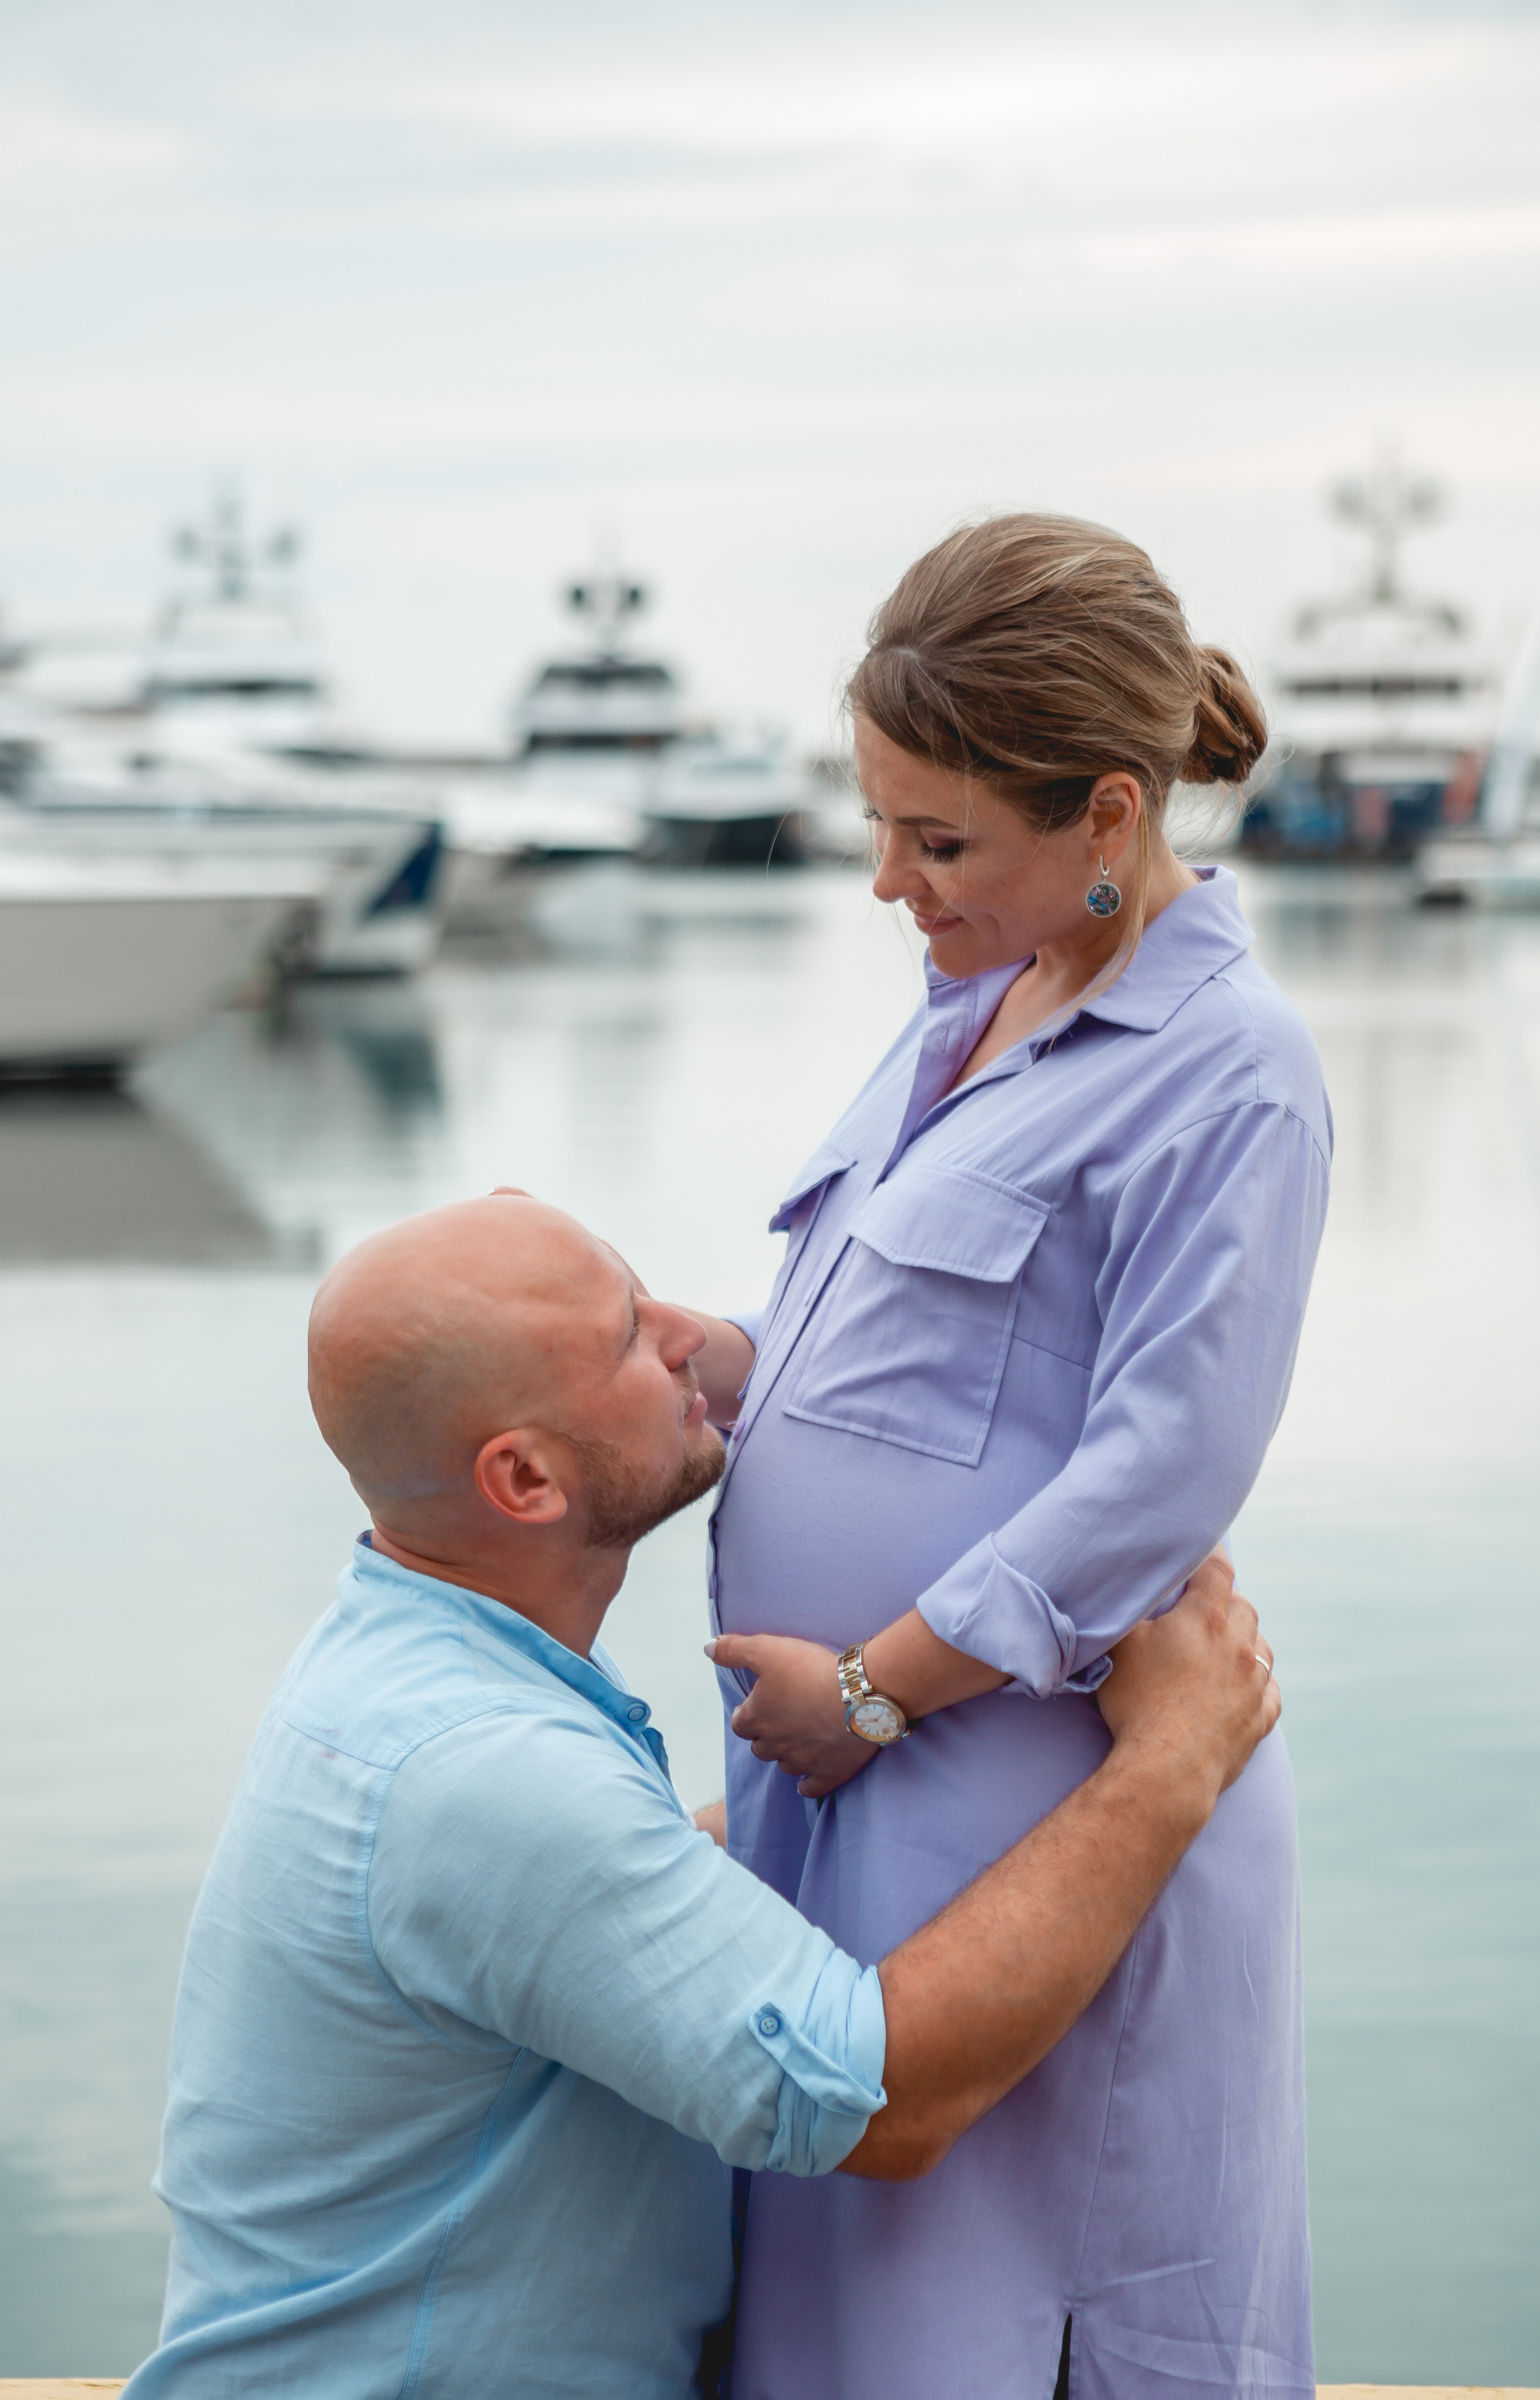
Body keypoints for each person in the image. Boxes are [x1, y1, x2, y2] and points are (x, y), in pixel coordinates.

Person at [122, 1192, 1279, 2400]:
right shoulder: (484, 1773)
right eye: (629, 1333)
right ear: (524, 1478)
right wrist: (1173, 1758)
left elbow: (605, 1895)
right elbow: (880, 2100)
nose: (689, 1336)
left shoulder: (410, 1671)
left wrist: (884, 1737)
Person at [681, 516, 1334, 2399]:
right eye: (880, 824)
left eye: (939, 840)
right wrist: (702, 1366)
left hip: (1019, 1801)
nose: (889, 879)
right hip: (853, 1790)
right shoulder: (975, 1006)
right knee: (845, 2304)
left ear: (1107, 814)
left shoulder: (1229, 1071)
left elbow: (1161, 1470)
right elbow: (925, 1367)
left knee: (1012, 2315)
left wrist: (873, 1693)